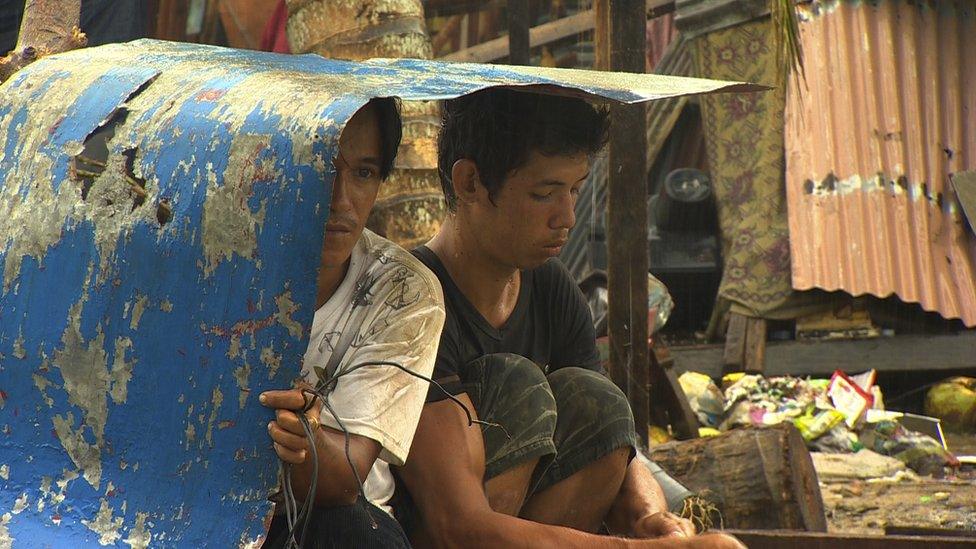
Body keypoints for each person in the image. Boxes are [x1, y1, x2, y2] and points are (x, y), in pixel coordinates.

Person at [392, 88, 744, 549]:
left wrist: (649, 514)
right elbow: (457, 526)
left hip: (528, 529)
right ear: (470, 183)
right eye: (545, 194)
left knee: (596, 398)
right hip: (440, 536)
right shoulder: (412, 305)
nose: (568, 217)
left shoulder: (552, 287)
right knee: (518, 383)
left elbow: (615, 436)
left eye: (575, 190)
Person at [259, 97, 446, 548]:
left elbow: (345, 478)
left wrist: (304, 438)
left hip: (331, 521)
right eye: (320, 165)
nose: (339, 200)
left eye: (363, 173)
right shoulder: (212, 263)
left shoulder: (403, 292)